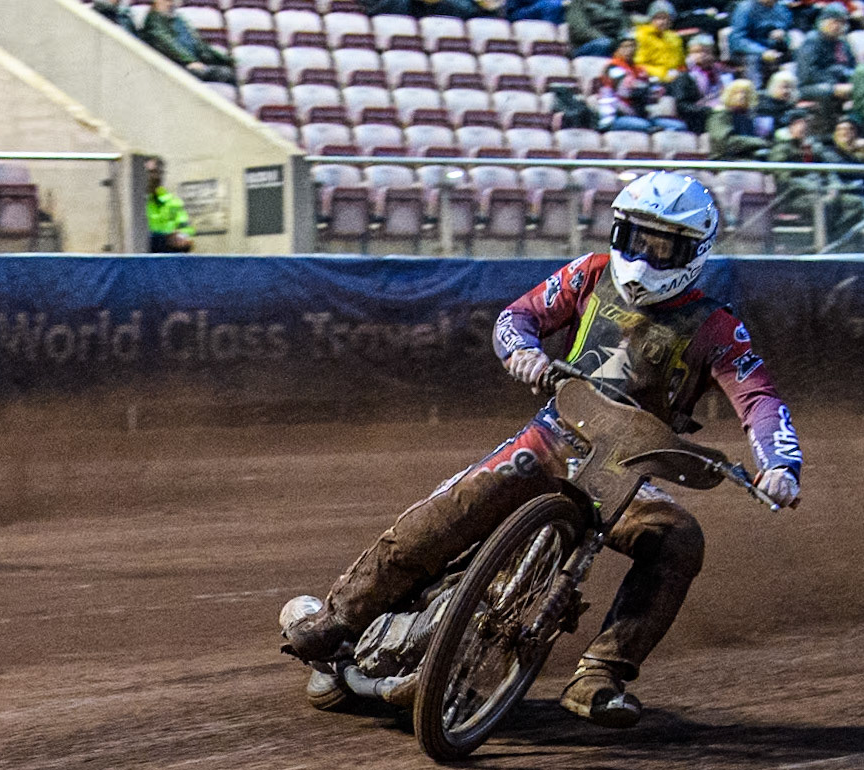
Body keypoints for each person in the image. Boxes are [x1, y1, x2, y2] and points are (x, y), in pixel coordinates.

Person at [284, 172, 803, 728]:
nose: (644, 256)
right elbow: (517, 317)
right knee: (450, 511)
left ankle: (599, 676)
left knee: (677, 539)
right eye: (634, 237)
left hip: (628, 470)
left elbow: (760, 399)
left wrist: (780, 464)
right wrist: (522, 351)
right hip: (553, 437)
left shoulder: (719, 327)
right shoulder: (589, 272)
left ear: (693, 252)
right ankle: (338, 621)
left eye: (662, 245)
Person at [596, 36, 690, 131]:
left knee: (679, 126)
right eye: (625, 47)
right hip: (617, 115)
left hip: (642, 115)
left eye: (633, 46)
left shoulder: (640, 70)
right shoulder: (612, 67)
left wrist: (651, 90)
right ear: (616, 50)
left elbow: (654, 92)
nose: (630, 49)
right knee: (644, 126)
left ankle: (659, 131)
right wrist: (648, 89)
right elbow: (627, 91)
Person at [140, 0, 235, 85]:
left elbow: (200, 45)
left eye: (172, 1)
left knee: (232, 71)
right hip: (177, 67)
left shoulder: (177, 19)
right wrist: (190, 61)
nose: (170, 4)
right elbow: (168, 44)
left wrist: (225, 60)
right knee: (224, 73)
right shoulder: (153, 22)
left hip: (194, 63)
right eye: (167, 1)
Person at [793, 4, 856, 131]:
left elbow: (853, 67)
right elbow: (808, 74)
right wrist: (834, 85)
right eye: (834, 21)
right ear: (823, 22)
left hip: (840, 84)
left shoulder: (842, 43)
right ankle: (827, 132)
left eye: (842, 22)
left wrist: (847, 76)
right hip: (810, 86)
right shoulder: (812, 41)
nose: (838, 26)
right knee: (828, 92)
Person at [670, 34, 734, 132]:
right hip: (699, 118)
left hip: (724, 112)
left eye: (706, 51)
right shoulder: (685, 76)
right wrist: (709, 110)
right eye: (696, 52)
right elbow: (682, 106)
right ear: (689, 54)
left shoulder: (722, 74)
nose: (701, 55)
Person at [727, 0, 794, 84]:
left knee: (796, 52)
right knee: (753, 59)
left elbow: (787, 26)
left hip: (775, 46)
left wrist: (782, 33)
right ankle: (756, 91)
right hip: (750, 50)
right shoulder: (745, 8)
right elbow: (737, 40)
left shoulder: (781, 8)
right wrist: (762, 51)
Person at [708, 77, 772, 155]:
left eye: (746, 93)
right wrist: (757, 142)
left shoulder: (747, 118)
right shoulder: (720, 116)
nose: (742, 96)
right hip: (725, 160)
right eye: (737, 93)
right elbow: (724, 143)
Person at [145, 156, 194, 252]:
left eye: (155, 172)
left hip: (170, 258)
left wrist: (182, 237)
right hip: (141, 258)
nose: (152, 177)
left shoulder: (173, 202)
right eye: (148, 172)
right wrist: (164, 239)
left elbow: (186, 230)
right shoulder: (135, 205)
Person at [632, 1, 685, 81]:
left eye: (667, 18)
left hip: (674, 76)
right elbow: (639, 64)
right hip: (652, 77)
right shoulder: (642, 35)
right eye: (659, 18)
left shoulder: (675, 37)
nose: (664, 22)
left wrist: (680, 71)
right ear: (651, 19)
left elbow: (681, 63)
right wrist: (663, 74)